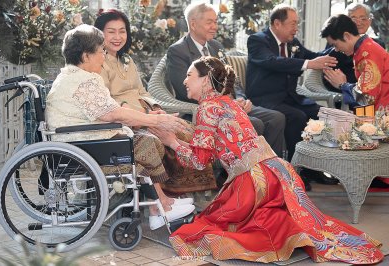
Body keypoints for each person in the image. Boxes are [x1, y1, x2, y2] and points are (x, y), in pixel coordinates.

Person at [150, 56, 383, 264]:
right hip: (278, 172)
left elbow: (200, 161)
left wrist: (171, 141)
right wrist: (175, 128)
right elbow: (208, 142)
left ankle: (288, 233)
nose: (184, 81)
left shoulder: (207, 109)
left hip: (253, 183)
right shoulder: (227, 102)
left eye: (189, 75)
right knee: (287, 220)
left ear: (206, 81)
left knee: (208, 227)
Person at [45, 24, 195, 230]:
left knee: (146, 139)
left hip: (84, 141)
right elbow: (112, 113)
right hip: (82, 146)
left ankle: (159, 205)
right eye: (100, 52)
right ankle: (159, 207)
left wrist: (148, 117)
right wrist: (155, 121)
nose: (104, 57)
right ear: (86, 56)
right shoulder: (83, 81)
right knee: (146, 142)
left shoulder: (76, 77)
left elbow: (111, 110)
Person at [94, 9, 217, 196]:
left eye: (122, 31)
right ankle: (171, 194)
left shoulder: (127, 60)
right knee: (174, 135)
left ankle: (195, 192)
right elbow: (109, 102)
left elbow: (142, 91)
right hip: (128, 120)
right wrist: (147, 117)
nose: (117, 37)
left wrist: (157, 109)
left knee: (190, 130)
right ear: (99, 33)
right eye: (111, 32)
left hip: (147, 114)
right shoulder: (98, 62)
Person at [166, 2, 286, 158]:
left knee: (276, 118)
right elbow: (184, 90)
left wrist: (241, 99)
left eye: (216, 21)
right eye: (210, 22)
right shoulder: (178, 51)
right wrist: (226, 105)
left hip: (232, 104)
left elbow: (232, 79)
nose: (215, 26)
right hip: (207, 109)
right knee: (255, 123)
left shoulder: (216, 46)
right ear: (193, 24)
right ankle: (240, 170)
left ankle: (270, 167)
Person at [245, 4, 339, 190]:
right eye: (293, 23)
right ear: (277, 23)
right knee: (297, 116)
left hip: (289, 97)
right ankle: (292, 170)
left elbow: (313, 56)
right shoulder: (257, 40)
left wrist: (336, 46)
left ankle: (312, 168)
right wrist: (309, 63)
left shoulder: (292, 43)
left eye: (298, 23)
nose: (296, 28)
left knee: (320, 113)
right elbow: (272, 62)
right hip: (265, 99)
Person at [321, 14, 389, 109]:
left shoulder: (367, 53)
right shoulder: (364, 48)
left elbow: (367, 98)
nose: (336, 50)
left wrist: (343, 85)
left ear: (346, 36)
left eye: (335, 45)